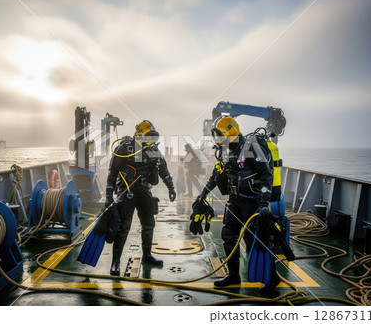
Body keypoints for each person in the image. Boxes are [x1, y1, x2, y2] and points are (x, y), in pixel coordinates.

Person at [193, 116, 279, 296]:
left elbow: (266, 176)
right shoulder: (225, 151)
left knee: (256, 241)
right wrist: (202, 195)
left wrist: (264, 205)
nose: (218, 139)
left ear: (230, 132)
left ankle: (272, 278)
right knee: (228, 236)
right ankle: (233, 275)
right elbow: (216, 175)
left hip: (252, 202)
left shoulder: (251, 146)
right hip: (234, 201)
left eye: (220, 135)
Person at [105, 120, 176, 276]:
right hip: (126, 192)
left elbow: (164, 171)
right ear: (139, 134)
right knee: (124, 227)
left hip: (144, 192)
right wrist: (109, 196)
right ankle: (115, 262)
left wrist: (171, 187)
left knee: (149, 224)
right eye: (148, 135)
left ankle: (147, 256)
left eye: (152, 136)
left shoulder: (153, 151)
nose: (150, 139)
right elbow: (112, 173)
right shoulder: (125, 148)